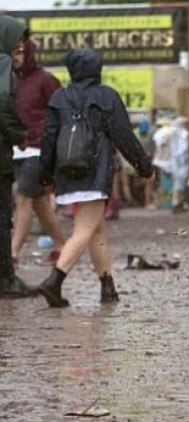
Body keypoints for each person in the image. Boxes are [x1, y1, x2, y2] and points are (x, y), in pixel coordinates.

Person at [34, 48, 154, 307]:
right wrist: (144, 167)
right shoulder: (106, 96)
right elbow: (124, 137)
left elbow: (49, 139)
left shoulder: (59, 97)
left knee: (96, 227)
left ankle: (107, 286)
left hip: (66, 172)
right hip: (95, 172)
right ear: (97, 67)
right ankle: (54, 281)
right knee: (84, 230)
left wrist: (44, 175)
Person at [10, 35, 66, 265]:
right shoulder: (11, 80)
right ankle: (62, 247)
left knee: (23, 198)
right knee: (40, 203)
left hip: (38, 149)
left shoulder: (45, 80)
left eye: (20, 52)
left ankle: (11, 254)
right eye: (13, 53)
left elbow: (60, 112)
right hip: (16, 149)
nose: (16, 58)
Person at [0, 15, 31, 297]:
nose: (21, 44)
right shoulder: (2, 64)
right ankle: (6, 281)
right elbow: (2, 103)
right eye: (18, 38)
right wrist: (19, 135)